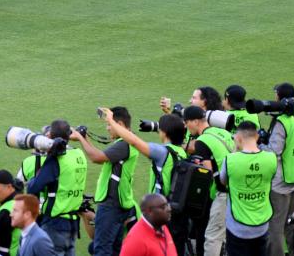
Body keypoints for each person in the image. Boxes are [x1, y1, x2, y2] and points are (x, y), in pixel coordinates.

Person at [101, 109, 189, 249]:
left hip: (159, 212)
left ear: (164, 133)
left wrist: (111, 121)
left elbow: (134, 141)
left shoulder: (162, 153)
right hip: (176, 211)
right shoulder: (182, 153)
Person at [72, 106, 138, 256]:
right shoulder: (127, 142)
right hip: (119, 204)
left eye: (109, 124)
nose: (108, 128)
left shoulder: (124, 144)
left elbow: (97, 158)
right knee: (114, 250)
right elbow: (102, 156)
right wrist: (86, 138)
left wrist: (80, 139)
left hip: (111, 206)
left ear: (119, 125)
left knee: (101, 250)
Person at [26, 120, 88, 256]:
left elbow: (34, 187)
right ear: (69, 135)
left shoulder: (56, 159)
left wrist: (33, 178)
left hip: (55, 223)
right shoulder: (79, 154)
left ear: (49, 136)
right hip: (73, 223)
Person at [184, 105, 235, 256]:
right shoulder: (221, 131)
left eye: (187, 123)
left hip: (223, 193)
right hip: (237, 188)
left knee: (212, 236)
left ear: (194, 122)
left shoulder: (202, 141)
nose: (187, 127)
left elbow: (207, 174)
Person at [220, 121, 277, 256]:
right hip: (262, 225)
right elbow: (271, 177)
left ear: (238, 138)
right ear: (257, 137)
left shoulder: (230, 160)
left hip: (237, 227)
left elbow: (223, 181)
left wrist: (235, 151)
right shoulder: (271, 158)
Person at [264, 82, 294, 256]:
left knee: (276, 227)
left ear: (280, 97)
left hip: (280, 184)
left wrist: (258, 145)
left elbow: (274, 152)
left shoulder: (281, 122)